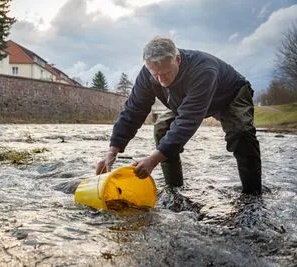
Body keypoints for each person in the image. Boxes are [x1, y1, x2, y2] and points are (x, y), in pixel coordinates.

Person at [96, 37, 262, 195]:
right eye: (155, 75)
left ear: (178, 59)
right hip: (185, 101)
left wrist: (153, 160)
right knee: (162, 129)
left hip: (230, 95)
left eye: (166, 73)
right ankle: (174, 191)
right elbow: (133, 110)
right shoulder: (148, 73)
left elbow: (188, 120)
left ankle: (252, 196)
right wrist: (113, 151)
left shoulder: (204, 69)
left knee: (241, 133)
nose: (161, 80)